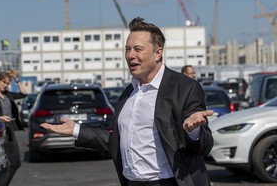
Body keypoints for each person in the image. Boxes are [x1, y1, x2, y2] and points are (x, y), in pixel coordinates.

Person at [41, 17, 214, 186]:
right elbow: (116, 139)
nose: (130, 55)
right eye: (127, 49)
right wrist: (77, 130)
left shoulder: (185, 88)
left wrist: (194, 132)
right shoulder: (129, 93)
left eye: (138, 49)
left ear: (158, 52)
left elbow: (204, 146)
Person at [0, 69, 27, 185]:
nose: (5, 85)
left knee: (15, 163)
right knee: (0, 165)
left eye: (7, 83)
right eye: (4, 83)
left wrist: (16, 79)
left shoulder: (8, 94)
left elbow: (23, 94)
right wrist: (0, 118)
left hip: (10, 130)